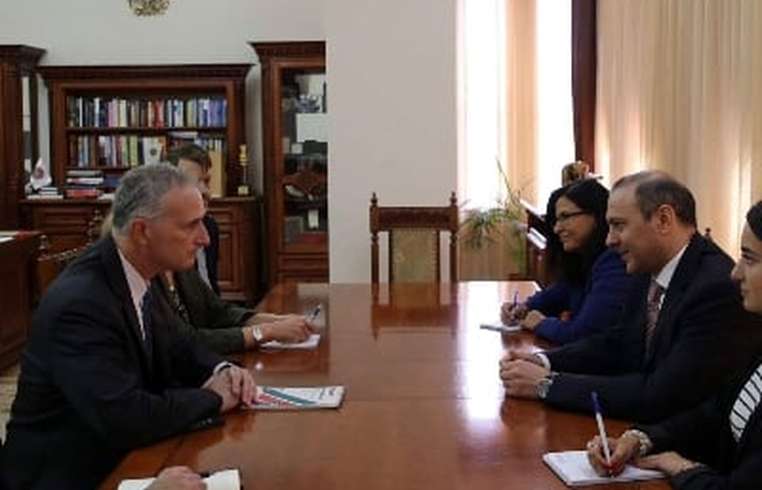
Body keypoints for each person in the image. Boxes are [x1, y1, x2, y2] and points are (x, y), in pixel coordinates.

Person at [1, 164, 256, 489]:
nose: (205, 238)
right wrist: (214, 398)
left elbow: (181, 345)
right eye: (191, 225)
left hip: (123, 456)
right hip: (69, 476)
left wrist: (224, 371)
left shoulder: (141, 271)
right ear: (142, 231)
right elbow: (125, 416)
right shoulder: (81, 303)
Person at [499, 171, 762, 422]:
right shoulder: (647, 266)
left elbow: (661, 394)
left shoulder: (714, 288)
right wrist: (543, 360)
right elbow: (618, 343)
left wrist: (547, 384)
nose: (609, 240)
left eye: (618, 225)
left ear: (663, 220)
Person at [586, 201, 762, 489]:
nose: (735, 273)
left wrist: (680, 466)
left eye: (750, 259)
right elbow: (716, 412)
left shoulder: (712, 286)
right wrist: (641, 439)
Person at [501, 179, 634, 344]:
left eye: (565, 217)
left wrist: (541, 323)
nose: (557, 228)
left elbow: (583, 335)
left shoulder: (615, 262)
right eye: (556, 220)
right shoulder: (583, 259)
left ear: (596, 215)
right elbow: (559, 293)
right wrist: (524, 306)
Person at [157, 267, 315, 354]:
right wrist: (266, 332)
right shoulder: (148, 285)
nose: (205, 238)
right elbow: (185, 342)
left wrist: (278, 321)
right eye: (190, 225)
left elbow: (219, 313)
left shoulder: (181, 268)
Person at [168, 143, 220, 295]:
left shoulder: (210, 226)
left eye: (207, 181)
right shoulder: (164, 236)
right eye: (194, 183)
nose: (205, 191)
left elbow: (212, 292)